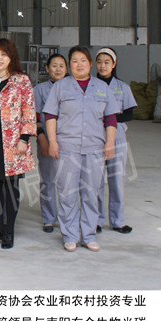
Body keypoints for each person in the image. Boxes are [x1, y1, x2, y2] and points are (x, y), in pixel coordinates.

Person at [43, 46, 119, 252]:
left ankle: (89, 235)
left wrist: (110, 142)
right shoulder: (60, 87)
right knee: (67, 193)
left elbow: (110, 118)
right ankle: (70, 235)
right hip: (67, 147)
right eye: (74, 61)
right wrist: (53, 142)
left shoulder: (102, 88)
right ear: (70, 65)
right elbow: (50, 116)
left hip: (94, 148)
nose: (79, 65)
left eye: (83, 60)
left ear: (90, 64)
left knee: (91, 193)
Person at [0, 38, 36, 250]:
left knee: (10, 189)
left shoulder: (21, 81)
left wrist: (24, 139)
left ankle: (9, 230)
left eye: (3, 54)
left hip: (12, 143)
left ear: (11, 56)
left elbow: (29, 111)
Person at [95, 47, 137, 234]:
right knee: (95, 182)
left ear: (114, 64)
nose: (102, 66)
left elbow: (128, 114)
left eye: (107, 62)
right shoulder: (90, 86)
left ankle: (117, 221)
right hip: (95, 139)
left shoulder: (122, 88)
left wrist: (108, 118)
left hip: (117, 139)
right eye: (99, 62)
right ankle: (95, 220)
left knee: (116, 180)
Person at [33, 53, 68, 233]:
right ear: (47, 68)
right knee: (48, 180)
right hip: (46, 139)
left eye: (62, 66)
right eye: (54, 65)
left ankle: (66, 218)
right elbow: (34, 116)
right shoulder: (39, 90)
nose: (58, 69)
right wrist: (42, 139)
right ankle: (48, 218)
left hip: (68, 141)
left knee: (68, 181)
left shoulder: (72, 88)